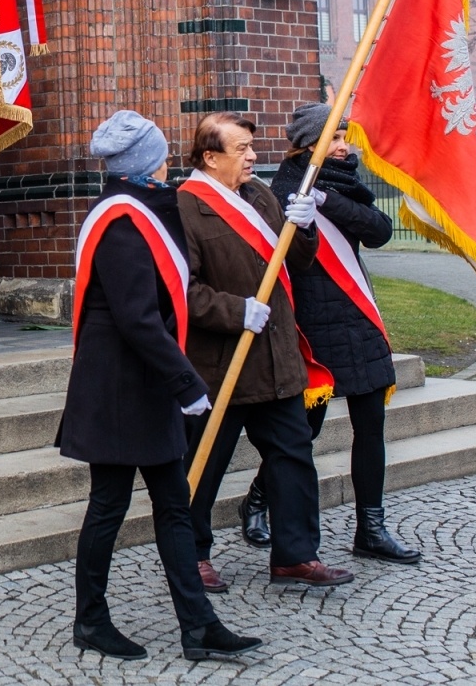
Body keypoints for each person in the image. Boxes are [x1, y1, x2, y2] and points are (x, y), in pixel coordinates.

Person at [60, 111, 263, 663]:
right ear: (147, 161)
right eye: (162, 154)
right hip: (120, 388)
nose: (168, 161)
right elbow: (136, 318)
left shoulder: (145, 206)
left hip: (146, 384)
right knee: (109, 505)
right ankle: (91, 622)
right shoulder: (122, 219)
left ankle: (199, 626)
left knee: (175, 505)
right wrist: (186, 383)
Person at [177, 111, 355, 590]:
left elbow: (295, 260)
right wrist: (235, 312)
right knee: (203, 464)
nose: (254, 156)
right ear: (210, 158)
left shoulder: (258, 195)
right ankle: (191, 556)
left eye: (252, 147)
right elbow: (180, 290)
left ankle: (295, 555)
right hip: (219, 367)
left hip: (275, 360)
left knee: (293, 458)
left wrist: (304, 226)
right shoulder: (184, 208)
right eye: (241, 149)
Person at [237, 103, 420, 563]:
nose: (343, 147)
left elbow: (378, 231)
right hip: (309, 323)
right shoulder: (280, 190)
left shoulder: (344, 185)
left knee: (371, 426)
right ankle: (258, 499)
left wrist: (326, 201)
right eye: (333, 139)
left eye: (344, 137)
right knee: (305, 428)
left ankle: (371, 529)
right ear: (307, 145)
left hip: (356, 319)